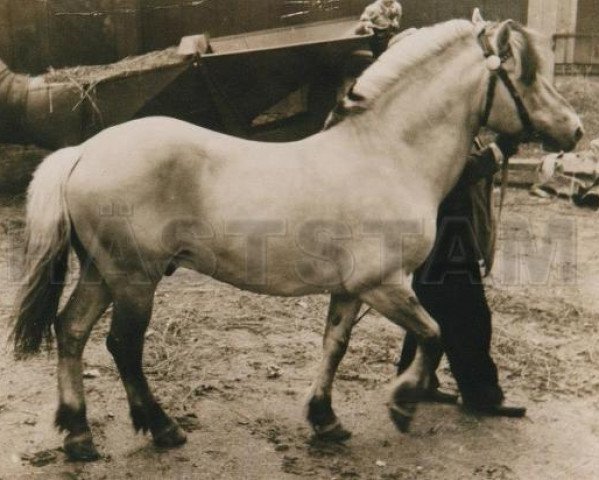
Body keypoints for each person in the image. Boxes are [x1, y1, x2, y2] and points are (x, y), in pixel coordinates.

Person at [396, 137, 527, 417]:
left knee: (430, 309)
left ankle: (416, 380)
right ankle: (481, 395)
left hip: (445, 230)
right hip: (445, 232)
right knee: (472, 317)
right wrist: (496, 151)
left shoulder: (458, 117)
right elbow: (454, 169)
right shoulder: (438, 114)